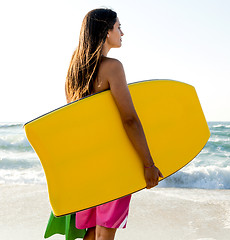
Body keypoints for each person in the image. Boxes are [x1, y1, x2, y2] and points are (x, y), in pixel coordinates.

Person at [65, 8, 163, 240]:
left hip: (85, 160)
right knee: (106, 229)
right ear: (106, 31)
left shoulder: (74, 69)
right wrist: (148, 164)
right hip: (112, 161)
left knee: (91, 230)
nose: (122, 33)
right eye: (118, 27)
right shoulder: (112, 67)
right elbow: (129, 119)